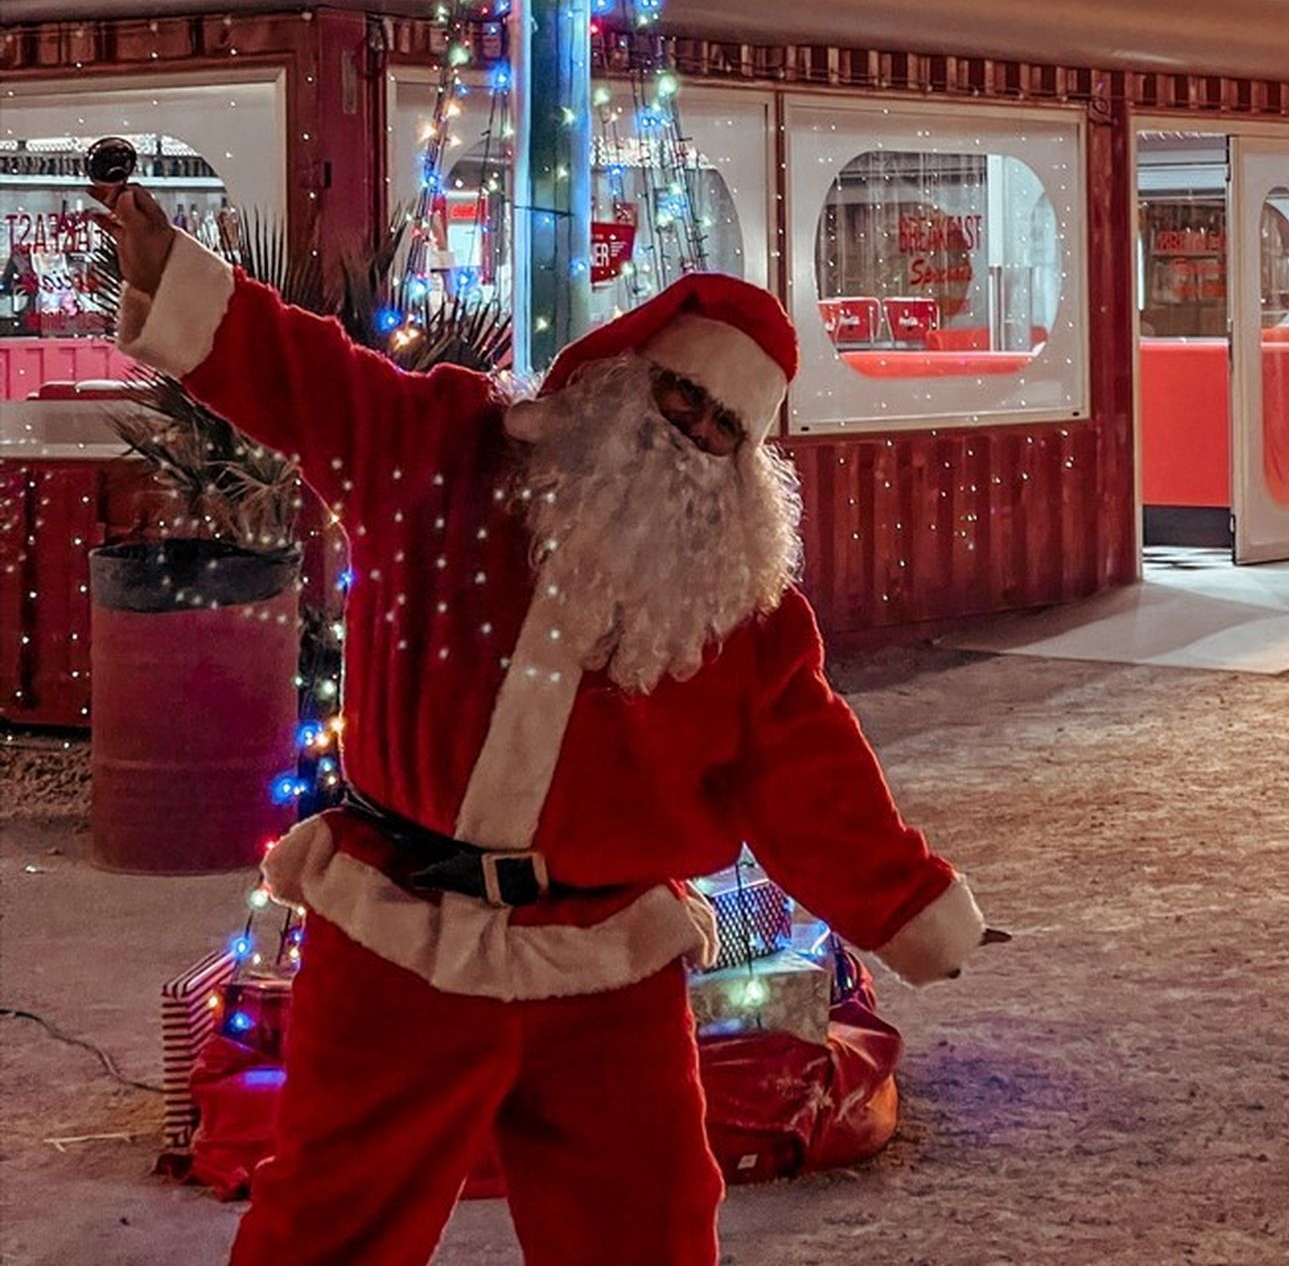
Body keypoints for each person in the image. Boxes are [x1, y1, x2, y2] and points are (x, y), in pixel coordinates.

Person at [95, 181, 998, 1266]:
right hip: (398, 936)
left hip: (601, 968)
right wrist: (185, 282)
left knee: (648, 1229)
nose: (694, 436)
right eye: (681, 399)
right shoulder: (443, 453)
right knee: (330, 1226)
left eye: (724, 429)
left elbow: (811, 776)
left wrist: (911, 906)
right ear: (621, 375)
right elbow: (319, 386)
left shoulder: (737, 608)